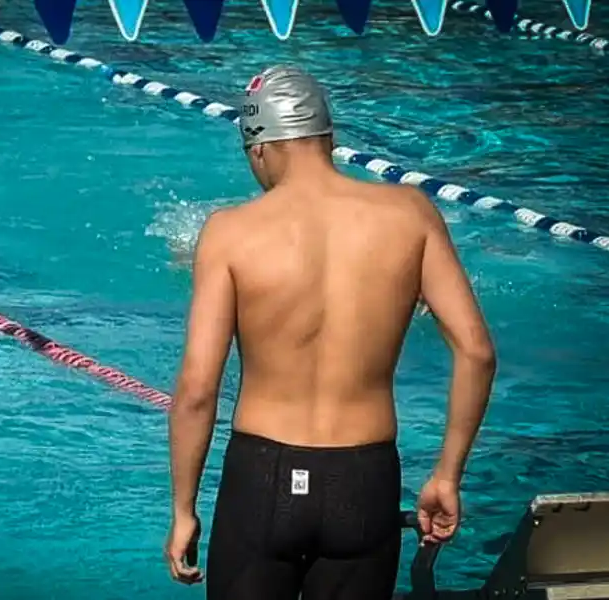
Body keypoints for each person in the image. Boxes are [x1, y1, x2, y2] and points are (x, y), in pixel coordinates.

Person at [164, 65, 496, 600]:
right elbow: (477, 352)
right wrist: (446, 474)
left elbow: (198, 389)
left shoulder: (230, 233)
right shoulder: (411, 214)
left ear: (259, 149)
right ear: (330, 139)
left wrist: (183, 509)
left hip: (262, 478)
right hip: (364, 483)